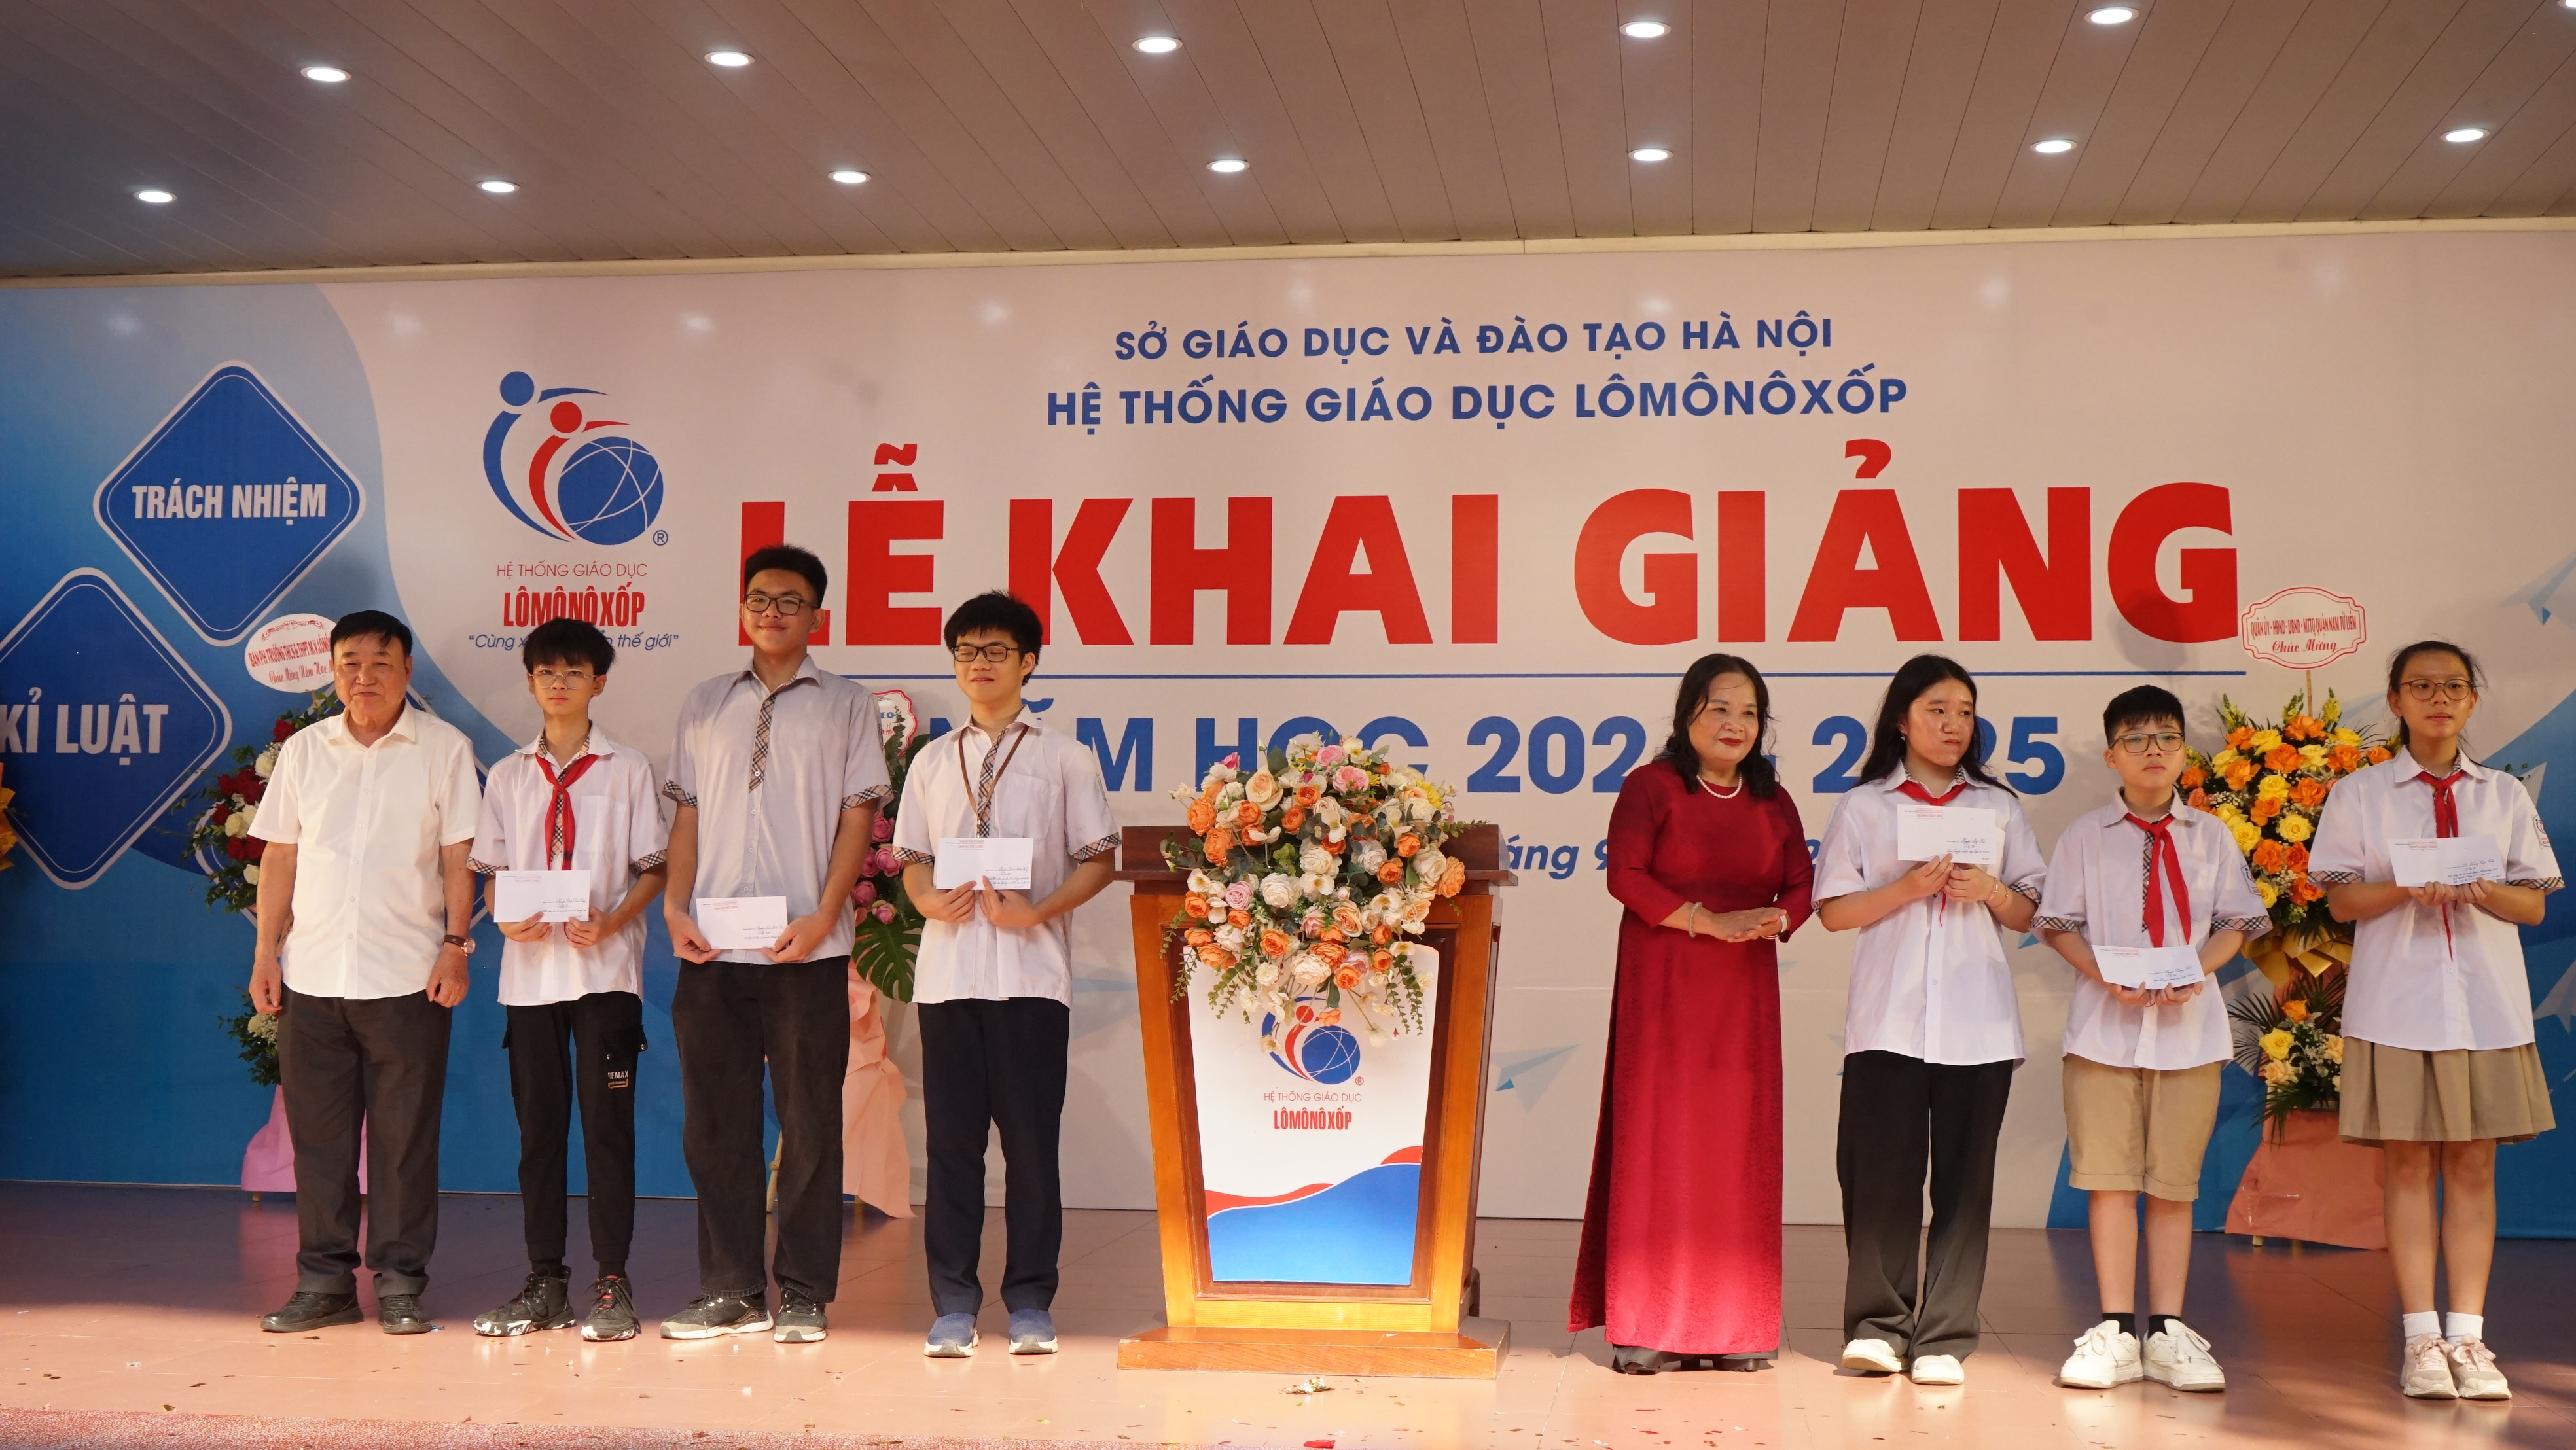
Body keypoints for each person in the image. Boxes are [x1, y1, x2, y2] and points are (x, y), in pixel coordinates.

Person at [2314, 641, 2558, 1400]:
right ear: (2396, 701)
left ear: (2472, 700)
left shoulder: (2503, 795)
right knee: (2410, 1164)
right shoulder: (2361, 793)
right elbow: (2341, 899)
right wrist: (2405, 887)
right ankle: (2421, 1336)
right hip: (2399, 1004)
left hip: (2487, 1006)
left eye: (2453, 685)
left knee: (2476, 1164)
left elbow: (2533, 903)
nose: (2439, 698)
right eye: (2421, 686)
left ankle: (2470, 1337)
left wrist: (2481, 888)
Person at [659, 544, 889, 1344]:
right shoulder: (704, 702)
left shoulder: (848, 704)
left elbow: (858, 817)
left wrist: (826, 914)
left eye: (790, 600)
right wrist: (674, 907)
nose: (772, 612)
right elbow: (686, 815)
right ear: (742, 609)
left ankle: (803, 1291)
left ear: (817, 616)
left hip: (806, 947)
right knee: (715, 1125)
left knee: (810, 1124)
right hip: (713, 950)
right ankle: (729, 1288)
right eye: (759, 597)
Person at [1570, 654, 1814, 1374]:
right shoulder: (1650, 786)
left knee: (1737, 1148)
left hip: (1743, 994)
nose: (1735, 724)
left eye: (1749, 713)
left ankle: (1737, 1325)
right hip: (1666, 986)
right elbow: (1626, 876)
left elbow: (1803, 883)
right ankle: (1649, 1323)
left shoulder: (1774, 798)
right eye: (1720, 709)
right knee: (1661, 1143)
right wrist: (1707, 921)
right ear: (1687, 716)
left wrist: (1775, 918)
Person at [245, 610, 482, 1335]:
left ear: (407, 670)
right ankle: (324, 1283)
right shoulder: (305, 751)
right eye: (350, 662)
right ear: (332, 671)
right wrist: (265, 953)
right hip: (313, 975)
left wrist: (455, 943)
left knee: (404, 1143)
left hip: (409, 975)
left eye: (381, 662)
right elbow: (280, 855)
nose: (364, 676)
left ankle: (402, 1282)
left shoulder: (444, 748)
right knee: (319, 1142)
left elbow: (460, 856)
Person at [898, 590, 1118, 1358]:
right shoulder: (932, 760)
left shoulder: (1065, 757)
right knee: (952, 1148)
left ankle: (1029, 1300)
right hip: (949, 978)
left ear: (1029, 662)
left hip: (1032, 977)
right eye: (966, 651)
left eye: (995, 650)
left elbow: (1100, 858)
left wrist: (1039, 910)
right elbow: (913, 858)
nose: (978, 663)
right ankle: (953, 1303)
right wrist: (925, 899)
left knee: (1030, 1148)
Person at [1812, 654, 2043, 1387]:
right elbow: (1833, 911)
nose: (1953, 724)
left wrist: (1992, 892)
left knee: (1966, 1187)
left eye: (1965, 712)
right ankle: (1878, 1328)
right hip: (1889, 1021)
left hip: (1978, 1023)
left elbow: (2035, 910)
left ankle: (1944, 1334)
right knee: (1879, 1180)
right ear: (1902, 721)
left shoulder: (1999, 807)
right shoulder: (1864, 806)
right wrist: (1907, 888)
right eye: (1937, 710)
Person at [2035, 686, 2268, 1394]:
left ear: (2183, 751)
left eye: (2166, 737)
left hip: (2188, 1034)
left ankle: (2167, 1330)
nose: (2153, 751)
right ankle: (2114, 1330)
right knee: (2109, 1180)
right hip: (2103, 1033)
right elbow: (2057, 923)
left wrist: (2195, 969)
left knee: (2173, 1184)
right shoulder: (2084, 836)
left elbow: (2238, 920)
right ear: (2113, 756)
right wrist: (2104, 975)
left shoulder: (2212, 835)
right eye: (2135, 739)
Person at [465, 617, 669, 1343]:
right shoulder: (508, 774)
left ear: (598, 683)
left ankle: (613, 1281)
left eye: (574, 671)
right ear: (530, 682)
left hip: (605, 973)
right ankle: (545, 1280)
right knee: (539, 1134)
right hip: (529, 980)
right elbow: (492, 873)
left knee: (608, 1132)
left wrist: (613, 922)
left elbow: (654, 869)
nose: (559, 682)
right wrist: (504, 918)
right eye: (546, 671)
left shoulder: (629, 768)